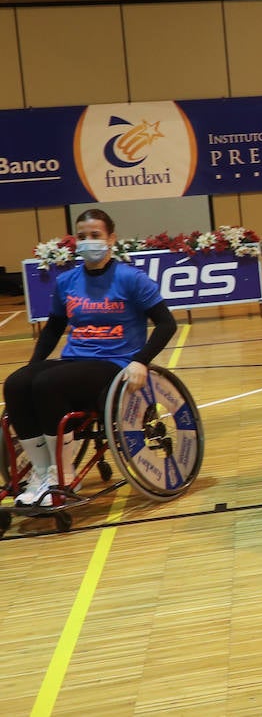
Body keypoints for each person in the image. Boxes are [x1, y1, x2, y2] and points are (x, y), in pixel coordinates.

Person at [4, 209, 177, 506]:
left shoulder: (131, 279)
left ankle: (63, 475)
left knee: (48, 384)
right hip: (76, 360)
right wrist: (33, 364)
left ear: (111, 238)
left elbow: (166, 324)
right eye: (82, 236)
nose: (88, 242)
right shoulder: (67, 281)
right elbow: (54, 327)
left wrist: (141, 360)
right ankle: (42, 473)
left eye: (96, 235)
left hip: (115, 364)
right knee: (17, 383)